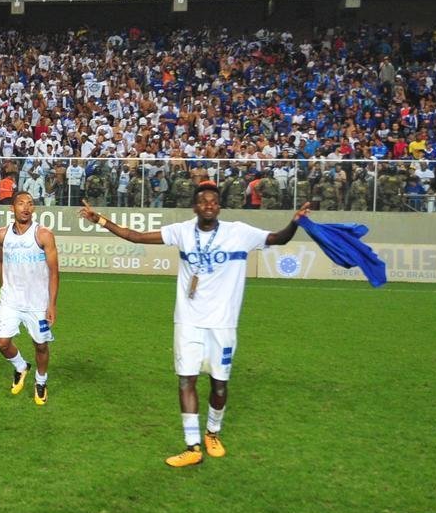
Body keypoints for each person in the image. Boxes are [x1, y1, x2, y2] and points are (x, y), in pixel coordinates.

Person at [79, 182, 311, 468]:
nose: (209, 205)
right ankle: (193, 447)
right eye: (203, 201)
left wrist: (295, 223)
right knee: (186, 379)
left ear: (219, 207)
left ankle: (213, 433)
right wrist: (100, 219)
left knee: (220, 385)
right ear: (195, 207)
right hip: (188, 319)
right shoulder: (182, 231)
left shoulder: (239, 233)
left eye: (214, 201)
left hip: (223, 324)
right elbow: (135, 236)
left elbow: (279, 239)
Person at [0, 191, 60, 406]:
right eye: (21, 203)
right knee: (2, 342)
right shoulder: (2, 235)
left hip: (37, 303)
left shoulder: (43, 235)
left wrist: (52, 304)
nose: (26, 207)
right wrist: (3, 288)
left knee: (40, 345)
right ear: (12, 208)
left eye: (30, 204)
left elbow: (54, 271)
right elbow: (2, 262)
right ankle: (21, 366)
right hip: (10, 300)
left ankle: (41, 381)